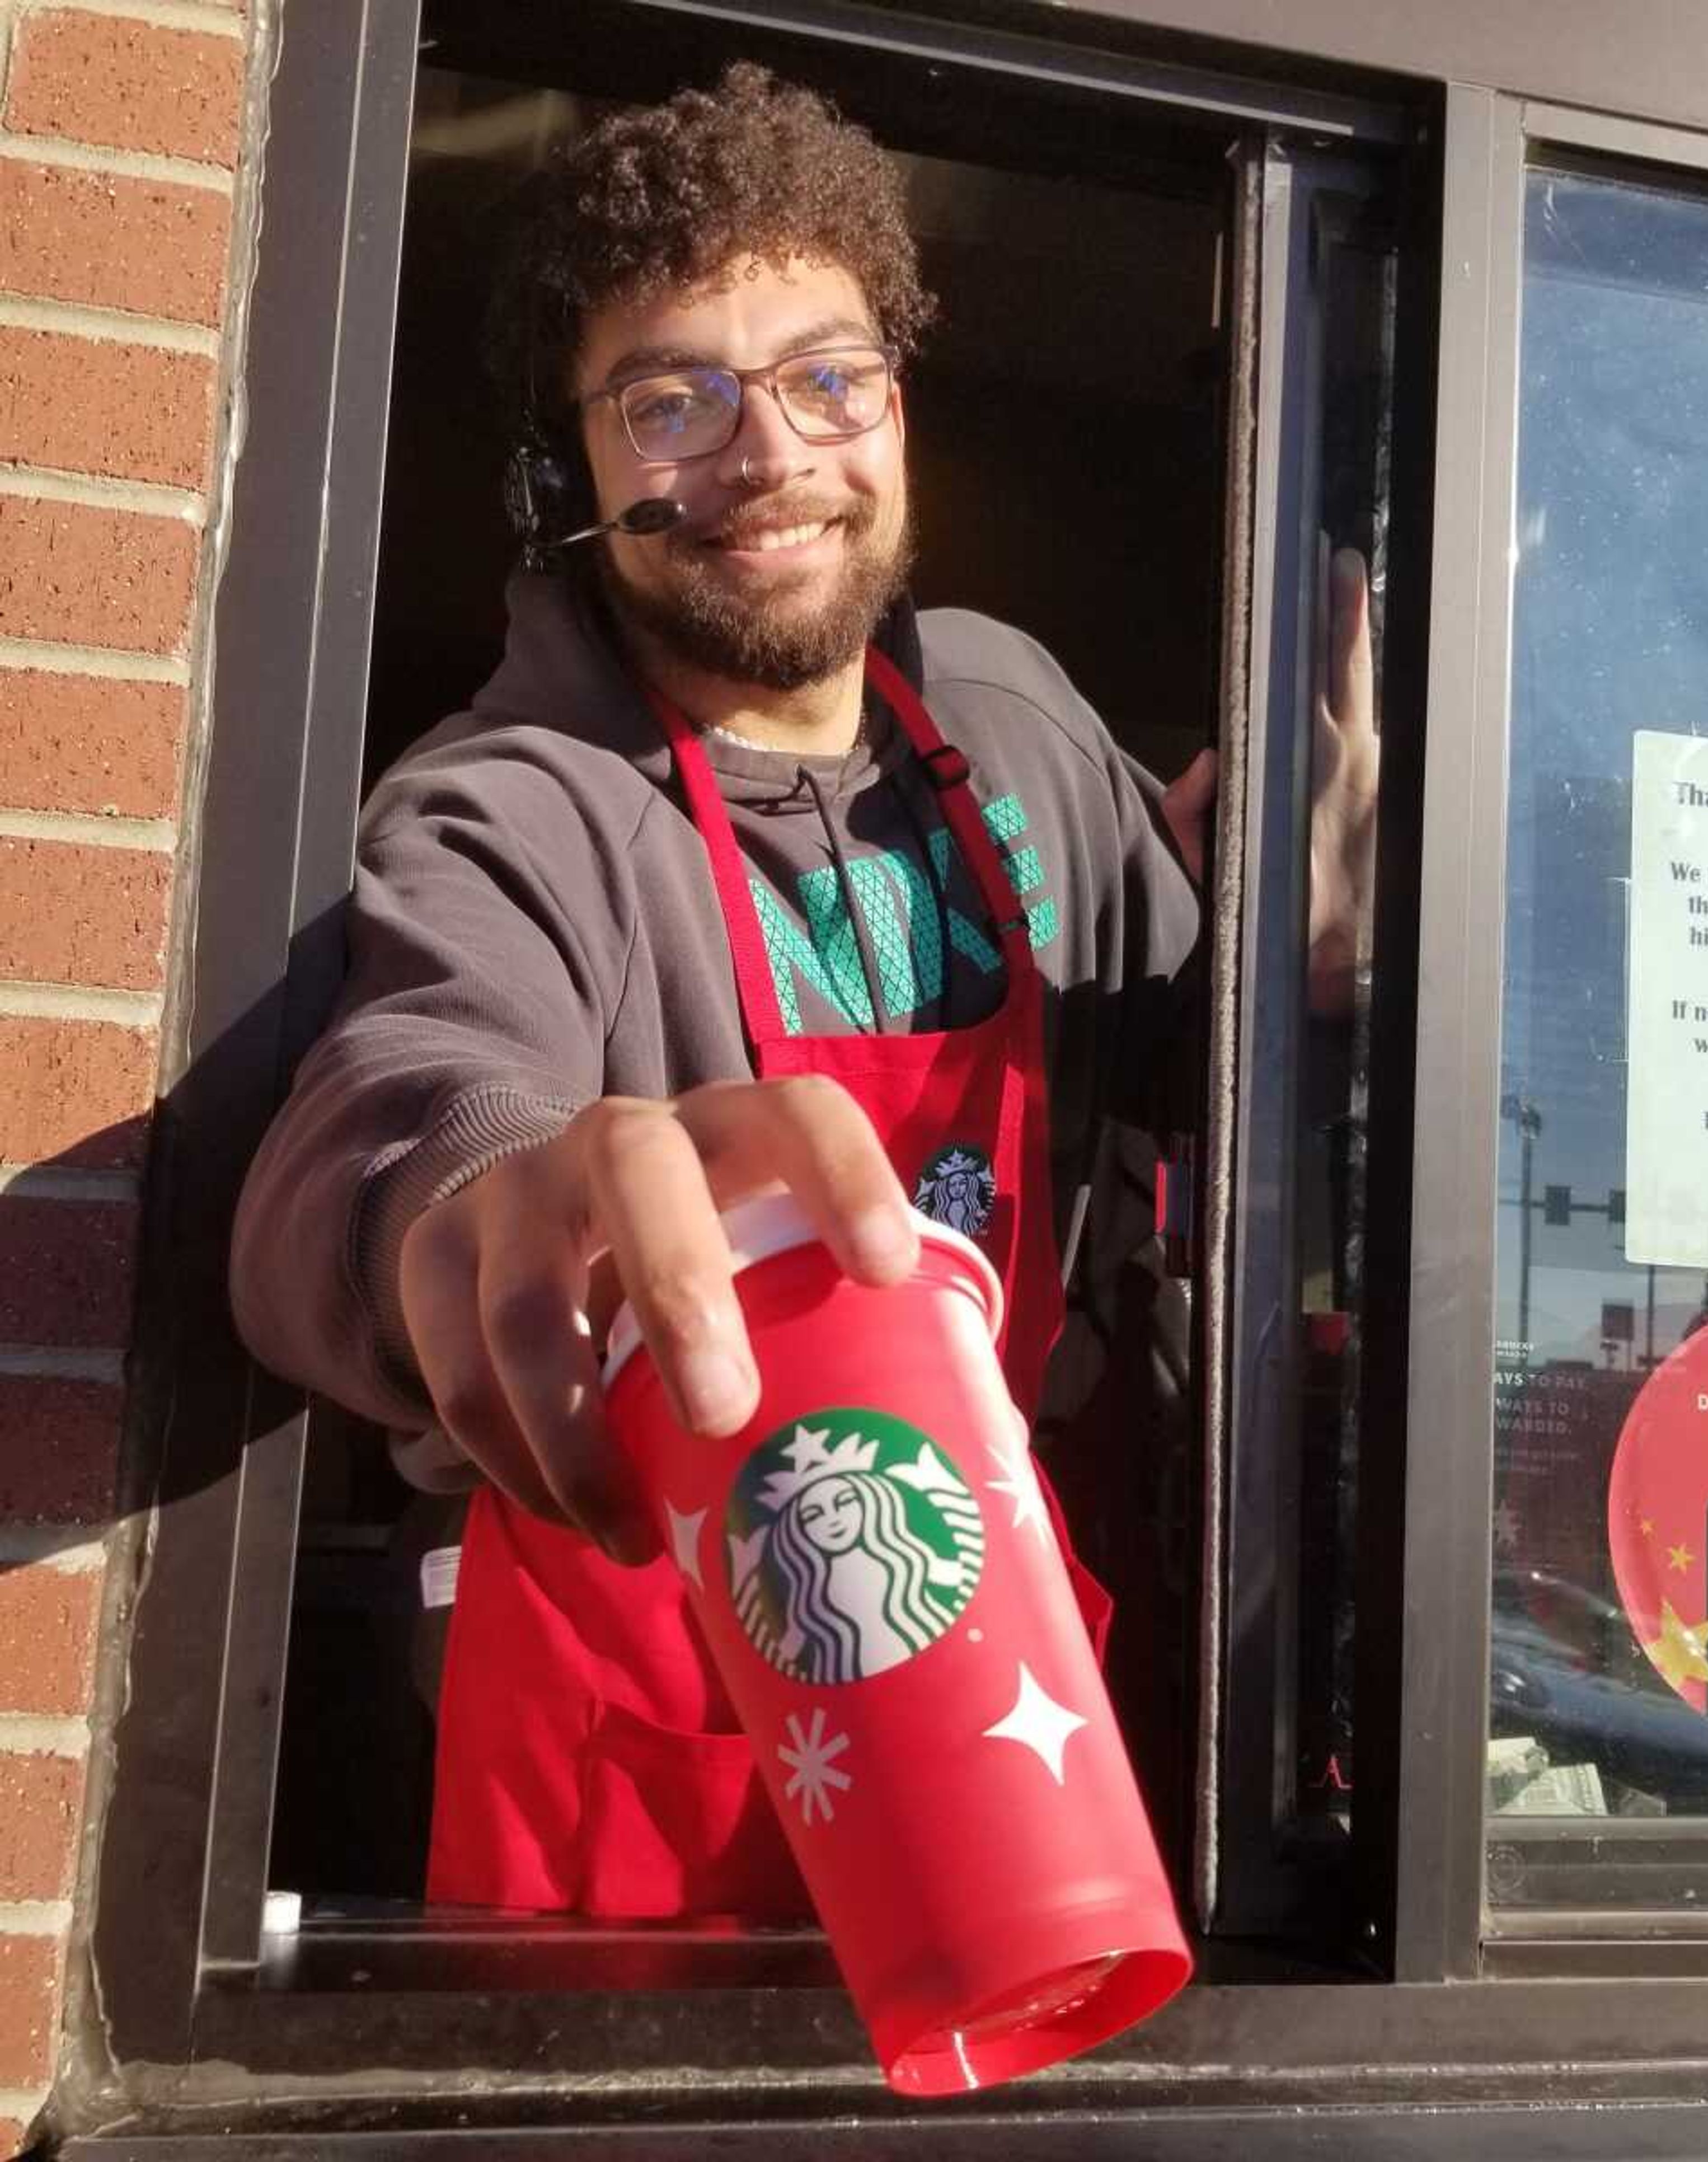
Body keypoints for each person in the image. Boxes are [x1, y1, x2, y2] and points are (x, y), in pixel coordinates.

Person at [230, 64, 1375, 1919]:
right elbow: (392, 1106)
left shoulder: (1004, 706)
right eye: (672, 399)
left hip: (1008, 1679)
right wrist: (482, 1197)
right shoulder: (517, 804)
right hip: (670, 1741)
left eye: (826, 378)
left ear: (897, 412)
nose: (766, 457)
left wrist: (1308, 978)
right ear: (571, 471)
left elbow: (1178, 1060)